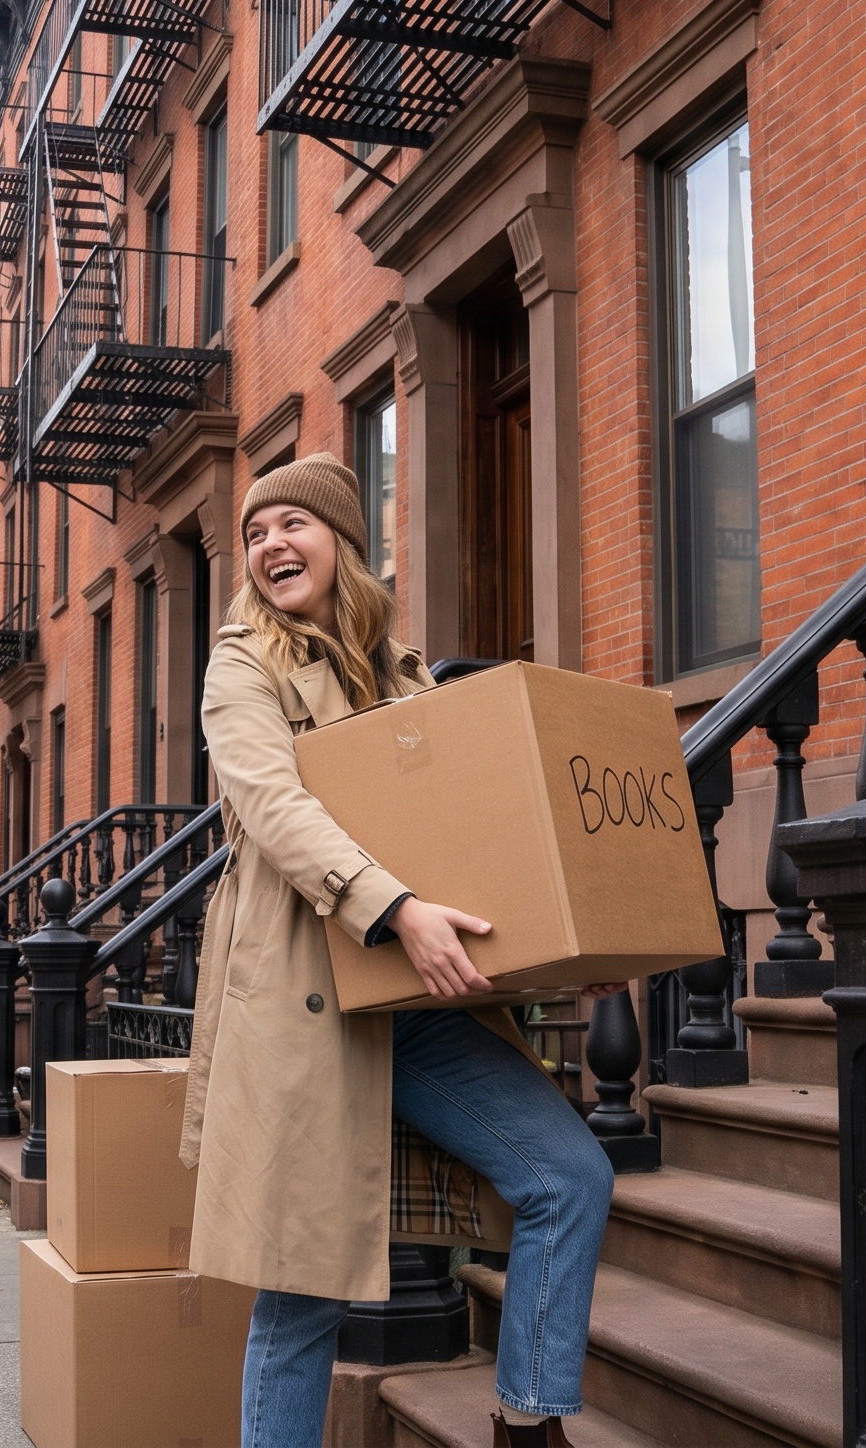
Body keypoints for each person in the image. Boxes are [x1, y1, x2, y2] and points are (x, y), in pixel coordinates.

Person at [181, 455, 613, 1448]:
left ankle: (526, 1421)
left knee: (568, 1177)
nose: (269, 544)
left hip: (417, 1006)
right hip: (307, 1002)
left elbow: (484, 840)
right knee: (302, 1297)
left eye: (291, 523)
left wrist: (562, 947)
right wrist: (394, 906)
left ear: (342, 537)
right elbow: (272, 806)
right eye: (253, 533)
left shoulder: (408, 675)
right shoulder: (241, 663)